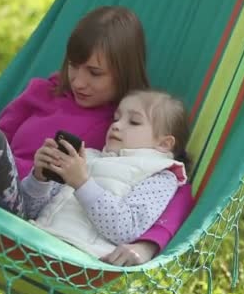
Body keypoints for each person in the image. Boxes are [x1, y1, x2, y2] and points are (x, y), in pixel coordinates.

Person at [0, 6, 194, 265]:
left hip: (24, 212)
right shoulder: (44, 92)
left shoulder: (123, 129)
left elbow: (171, 185)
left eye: (94, 73)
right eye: (74, 66)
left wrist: (148, 246)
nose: (79, 81)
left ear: (123, 72)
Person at [24, 90, 189, 257]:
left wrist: (82, 184)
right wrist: (40, 178)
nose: (116, 125)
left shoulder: (160, 177)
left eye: (134, 121)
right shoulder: (86, 156)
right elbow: (30, 210)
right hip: (34, 238)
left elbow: (126, 230)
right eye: (116, 118)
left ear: (164, 143)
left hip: (79, 258)